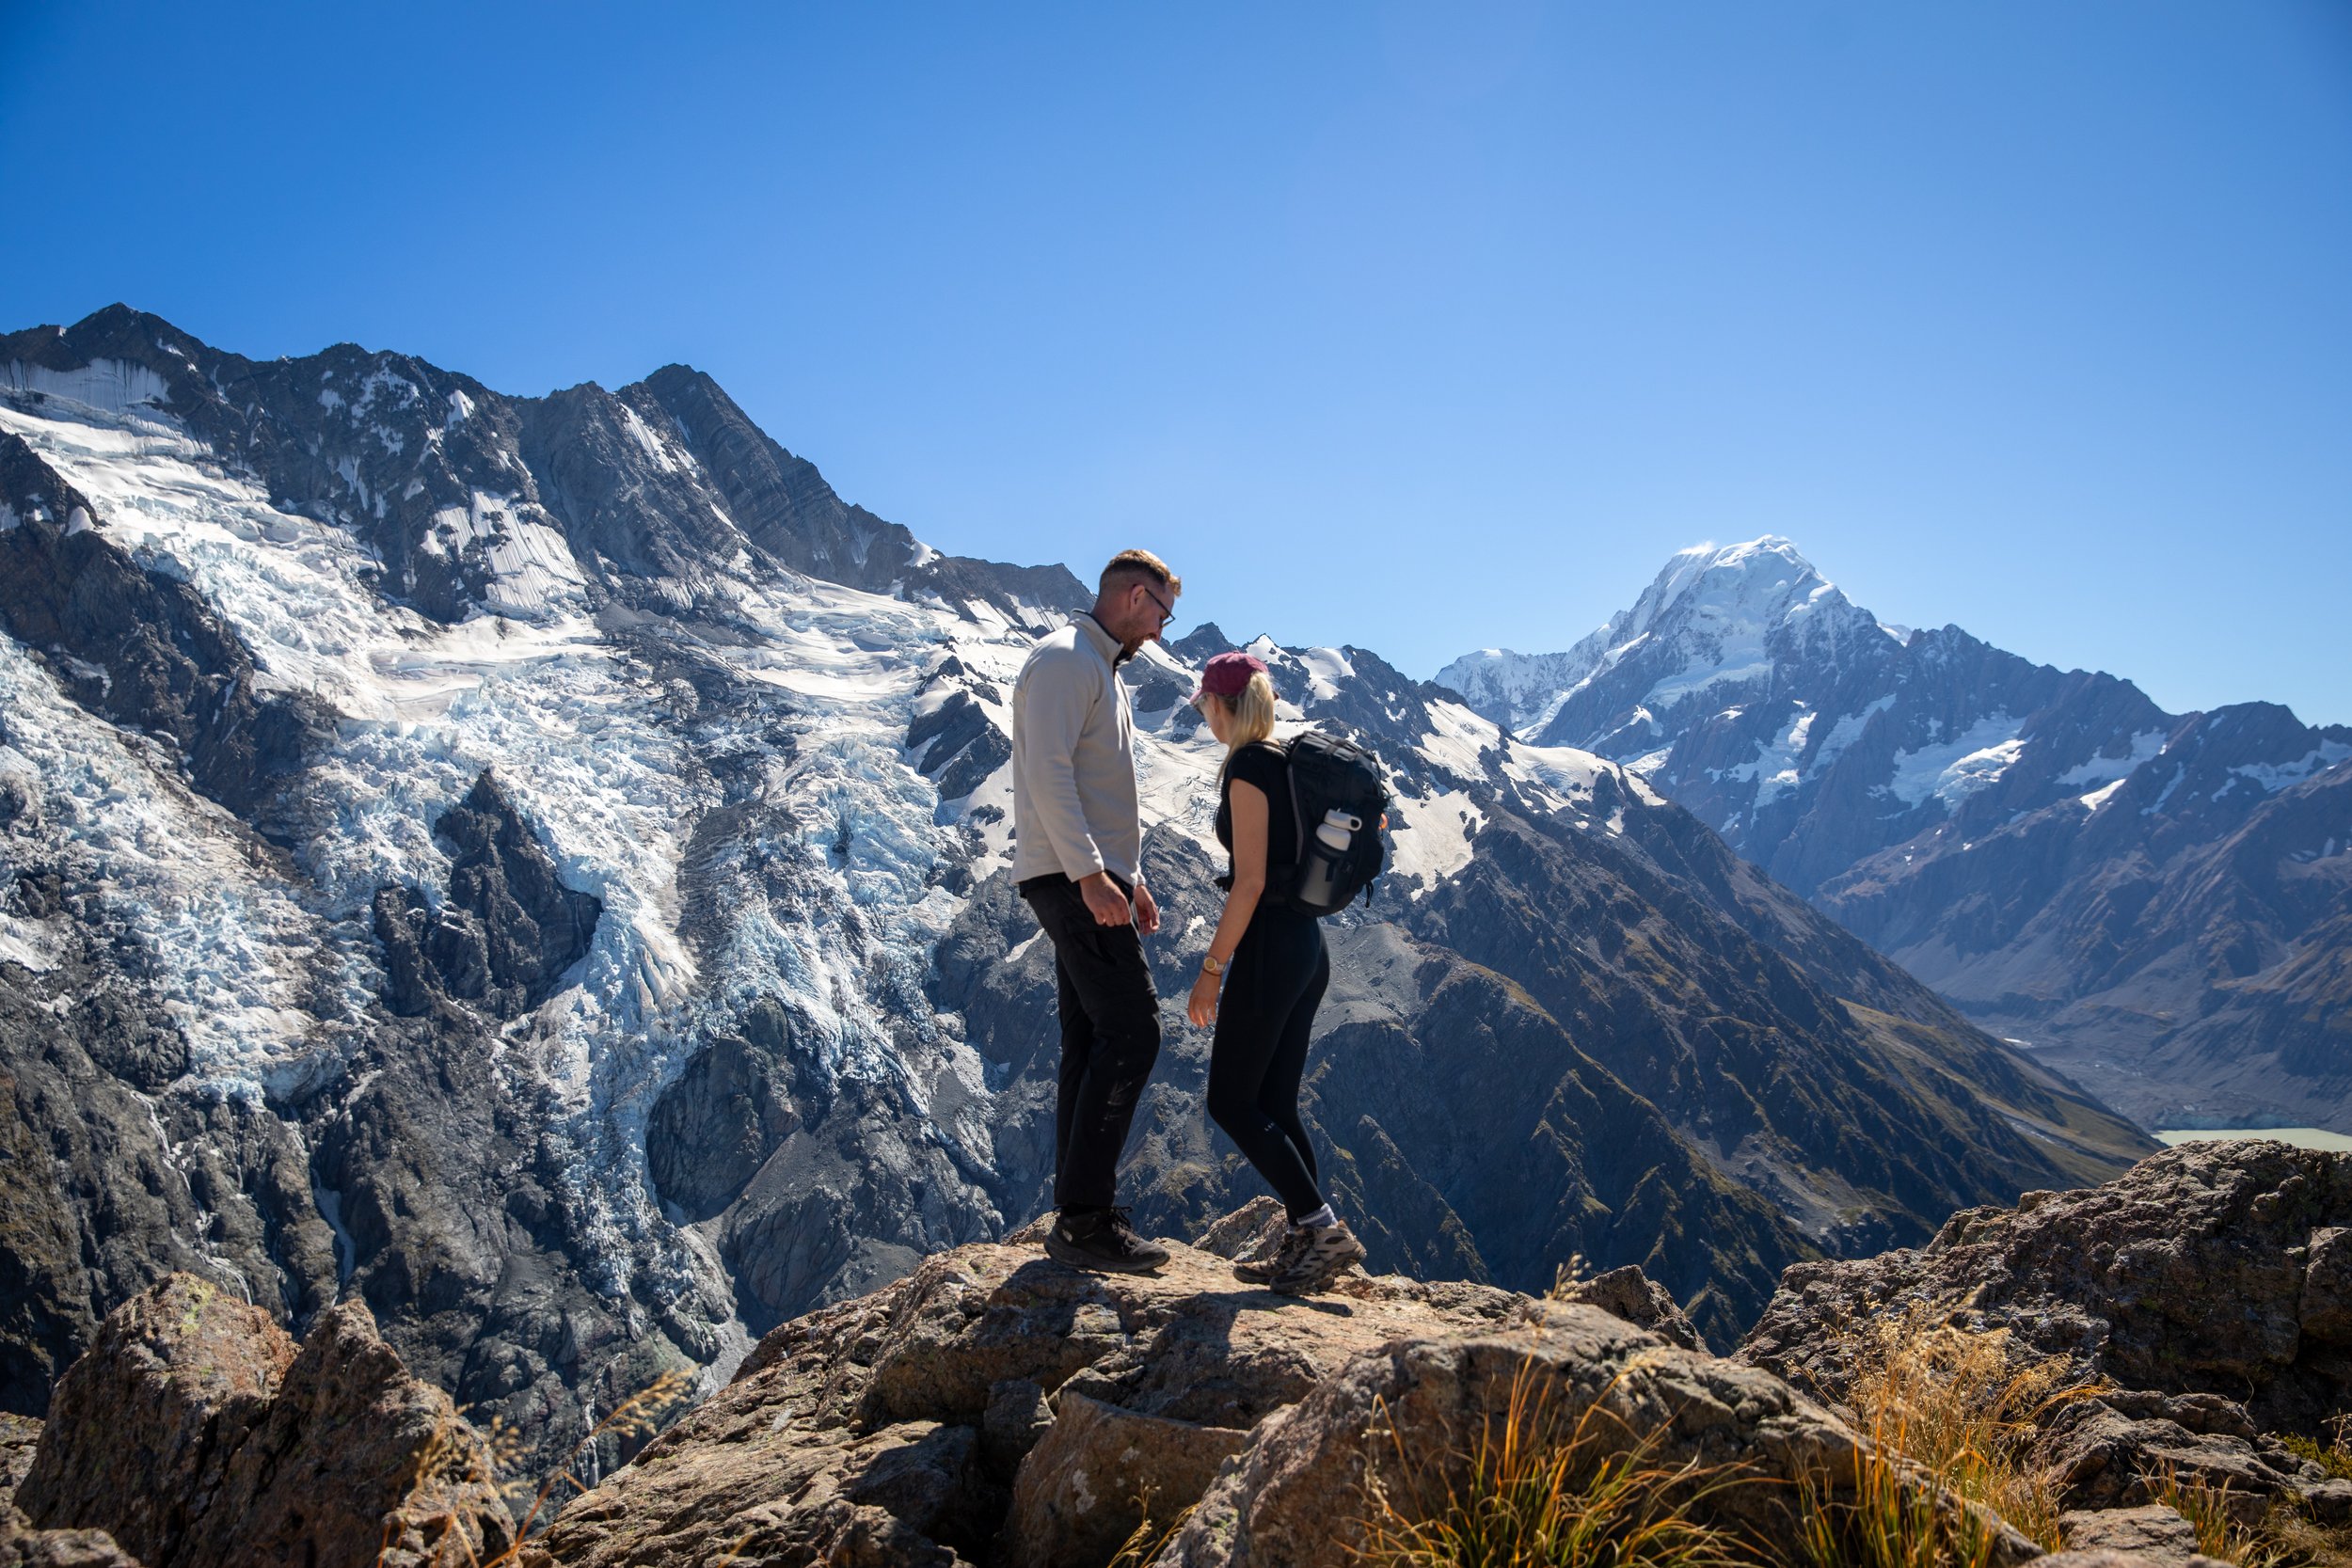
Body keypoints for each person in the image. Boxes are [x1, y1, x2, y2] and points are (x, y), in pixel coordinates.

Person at [1010, 548, 1182, 1272]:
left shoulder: (1097, 667)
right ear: (1136, 597)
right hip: (1070, 877)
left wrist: (1128, 876)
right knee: (1135, 1031)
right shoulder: (1065, 661)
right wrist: (1088, 874)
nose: (1163, 631)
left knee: (1089, 1039)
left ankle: (1076, 1212)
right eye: (1163, 613)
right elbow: (1047, 774)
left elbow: (1093, 785)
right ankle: (1086, 1217)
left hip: (1088, 876)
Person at [1184, 651, 1368, 1295]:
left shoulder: (1247, 766)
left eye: (1203, 701)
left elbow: (1251, 881)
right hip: (1306, 949)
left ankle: (1319, 1228)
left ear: (1222, 703)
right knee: (1276, 1101)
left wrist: (1212, 968)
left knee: (1230, 1101)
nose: (1202, 712)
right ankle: (1309, 1246)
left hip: (1268, 948)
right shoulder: (1288, 762)